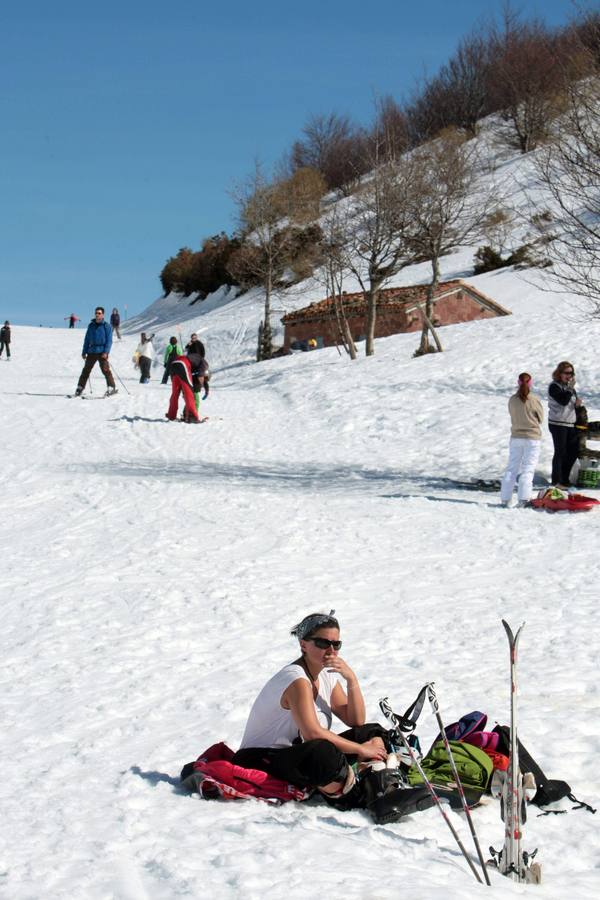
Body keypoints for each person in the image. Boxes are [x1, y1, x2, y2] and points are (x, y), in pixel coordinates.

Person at [231, 611, 433, 823]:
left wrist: (351, 679)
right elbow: (312, 733)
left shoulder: (325, 675)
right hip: (261, 758)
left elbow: (356, 720)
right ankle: (361, 795)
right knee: (323, 752)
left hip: (295, 755)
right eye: (322, 643)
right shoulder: (297, 680)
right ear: (303, 645)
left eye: (336, 645)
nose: (330, 651)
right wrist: (361, 750)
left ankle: (385, 789)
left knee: (371, 731)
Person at [500, 373, 544, 508]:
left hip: (516, 437)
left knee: (511, 469)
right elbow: (541, 418)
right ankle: (523, 499)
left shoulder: (512, 400)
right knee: (527, 470)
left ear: (518, 383)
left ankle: (505, 499)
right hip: (532, 438)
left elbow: (511, 414)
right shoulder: (534, 400)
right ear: (530, 384)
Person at [548, 360, 583, 488]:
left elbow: (570, 403)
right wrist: (569, 389)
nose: (569, 375)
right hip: (557, 423)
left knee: (573, 451)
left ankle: (565, 478)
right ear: (559, 373)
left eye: (571, 373)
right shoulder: (554, 386)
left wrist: (577, 405)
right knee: (560, 451)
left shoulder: (571, 389)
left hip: (570, 423)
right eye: (566, 373)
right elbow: (563, 400)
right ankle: (556, 480)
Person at [74, 307, 117, 397]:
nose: (97, 314)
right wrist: (84, 351)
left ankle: (111, 387)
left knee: (105, 370)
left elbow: (109, 341)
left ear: (103, 314)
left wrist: (106, 352)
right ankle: (80, 388)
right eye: (96, 313)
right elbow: (87, 339)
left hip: (102, 352)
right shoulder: (91, 325)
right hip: (91, 351)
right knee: (86, 370)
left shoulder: (106, 326)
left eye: (99, 313)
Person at [166, 352, 200, 423]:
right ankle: (192, 417)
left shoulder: (190, 357)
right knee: (189, 392)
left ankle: (171, 415)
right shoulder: (202, 362)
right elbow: (201, 375)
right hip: (182, 365)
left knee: (175, 393)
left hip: (173, 365)